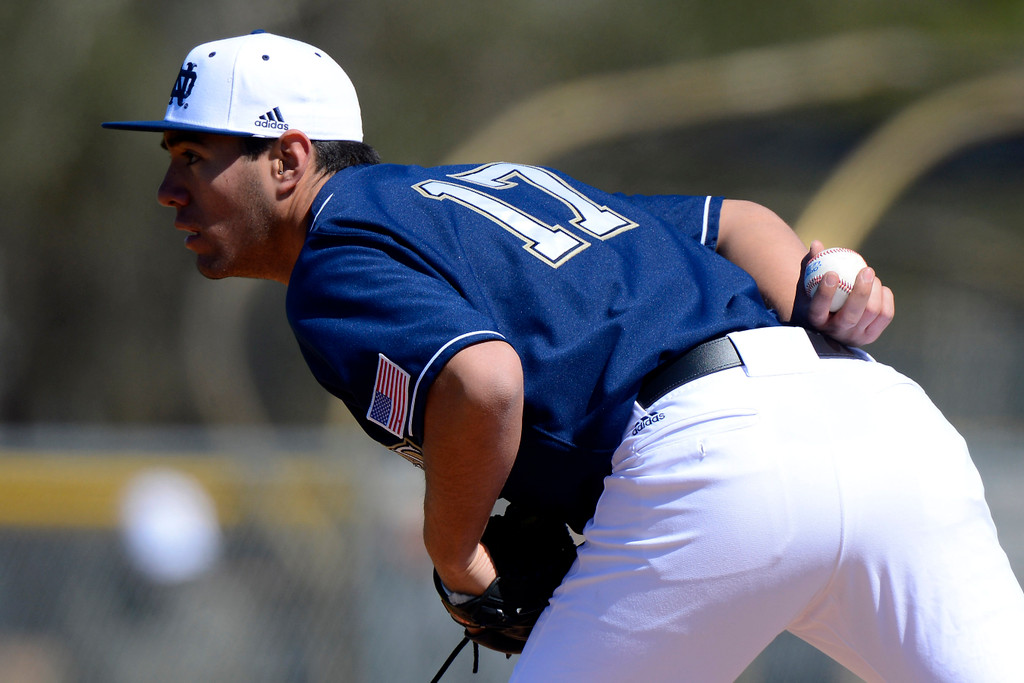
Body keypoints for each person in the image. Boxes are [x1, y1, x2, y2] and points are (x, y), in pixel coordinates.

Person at [104, 31, 1024, 682]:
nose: (167, 189)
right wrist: (820, 280)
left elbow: (485, 380)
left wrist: (455, 551)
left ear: (287, 159)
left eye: (193, 157)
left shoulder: (335, 256)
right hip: (882, 421)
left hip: (715, 466)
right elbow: (736, 221)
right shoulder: (491, 187)